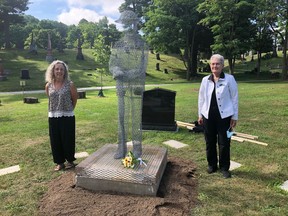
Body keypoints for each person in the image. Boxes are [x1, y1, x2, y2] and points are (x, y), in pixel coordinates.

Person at [198, 54, 238, 178]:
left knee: (225, 142)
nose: (215, 66)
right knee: (209, 141)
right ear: (210, 65)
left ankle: (225, 168)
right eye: (213, 64)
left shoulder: (229, 79)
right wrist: (200, 114)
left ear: (222, 65)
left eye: (217, 64)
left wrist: (234, 116)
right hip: (208, 116)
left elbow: (234, 98)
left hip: (225, 117)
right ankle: (212, 165)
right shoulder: (205, 80)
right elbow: (201, 98)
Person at [45, 60, 78, 171]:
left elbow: (74, 99)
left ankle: (70, 161)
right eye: (57, 69)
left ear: (65, 72)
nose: (59, 71)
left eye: (61, 69)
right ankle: (59, 162)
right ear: (53, 71)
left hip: (67, 116)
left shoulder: (70, 85)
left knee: (68, 138)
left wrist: (68, 110)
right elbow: (50, 99)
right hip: (53, 116)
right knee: (55, 139)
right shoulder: (48, 85)